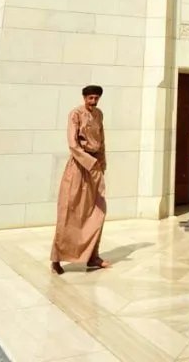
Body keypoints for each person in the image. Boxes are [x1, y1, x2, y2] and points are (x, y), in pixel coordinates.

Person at [50, 84, 109, 275]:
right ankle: (57, 259)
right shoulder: (75, 114)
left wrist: (101, 163)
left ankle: (93, 256)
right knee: (70, 212)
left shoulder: (99, 114)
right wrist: (90, 163)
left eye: (96, 98)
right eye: (90, 98)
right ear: (84, 98)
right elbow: (73, 144)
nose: (93, 101)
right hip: (79, 166)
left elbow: (102, 141)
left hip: (94, 167)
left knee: (97, 212)